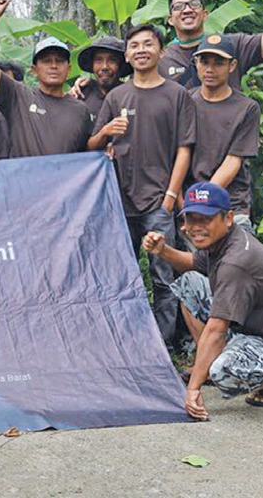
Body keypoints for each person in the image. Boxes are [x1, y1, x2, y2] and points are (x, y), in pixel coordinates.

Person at [142, 182, 263, 419]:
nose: (195, 227)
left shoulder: (235, 262)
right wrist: (162, 250)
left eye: (205, 219)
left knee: (224, 372)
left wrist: (193, 390)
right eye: (191, 219)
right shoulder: (222, 241)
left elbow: (216, 329)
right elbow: (194, 264)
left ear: (228, 218)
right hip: (251, 326)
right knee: (188, 283)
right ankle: (210, 362)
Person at [88, 24, 195, 349]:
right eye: (134, 45)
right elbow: (92, 145)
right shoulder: (117, 96)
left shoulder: (176, 94)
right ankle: (125, 341)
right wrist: (106, 131)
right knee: (121, 278)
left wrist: (170, 197)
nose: (141, 50)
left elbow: (184, 149)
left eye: (148, 44)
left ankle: (162, 345)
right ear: (127, 55)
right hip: (119, 204)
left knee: (164, 277)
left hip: (158, 203)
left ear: (161, 51)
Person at [0, 0, 93, 157]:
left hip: (64, 182)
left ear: (69, 69)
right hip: (22, 181)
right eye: (46, 61)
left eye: (59, 61)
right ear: (34, 70)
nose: (53, 66)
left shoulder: (81, 111)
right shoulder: (18, 96)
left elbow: (87, 157)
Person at [186, 35, 261, 232]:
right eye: (204, 62)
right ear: (196, 63)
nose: (210, 69)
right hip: (189, 203)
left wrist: (204, 201)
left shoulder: (247, 108)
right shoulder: (184, 101)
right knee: (194, 263)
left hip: (231, 205)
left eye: (218, 63)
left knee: (237, 261)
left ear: (232, 65)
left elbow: (233, 161)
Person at [73, 36, 132, 121]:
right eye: (98, 60)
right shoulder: (81, 94)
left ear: (120, 65)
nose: (104, 67)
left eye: (112, 60)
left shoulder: (129, 95)